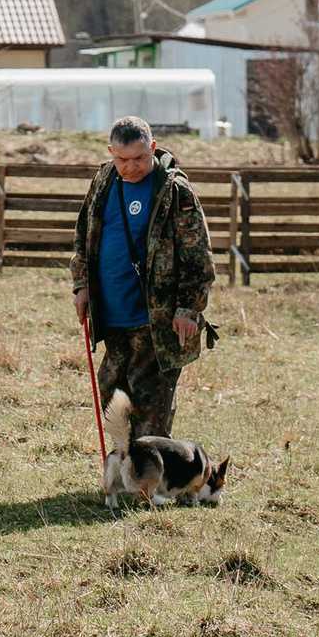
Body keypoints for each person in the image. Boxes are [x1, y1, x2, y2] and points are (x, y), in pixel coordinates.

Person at [71, 116, 216, 440]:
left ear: (152, 148)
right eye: (122, 159)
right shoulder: (104, 181)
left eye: (139, 158)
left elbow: (198, 255)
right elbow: (84, 238)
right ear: (111, 152)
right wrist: (81, 286)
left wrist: (187, 309)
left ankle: (152, 481)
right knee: (111, 395)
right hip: (112, 314)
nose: (132, 166)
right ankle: (127, 469)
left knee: (150, 405)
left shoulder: (174, 190)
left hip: (157, 319)